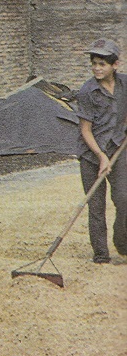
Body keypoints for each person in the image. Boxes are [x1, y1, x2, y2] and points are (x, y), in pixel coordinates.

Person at [76, 38, 127, 264]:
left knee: (124, 198)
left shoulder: (125, 85)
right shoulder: (87, 91)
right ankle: (101, 254)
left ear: (115, 65)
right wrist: (101, 157)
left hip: (118, 148)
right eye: (94, 63)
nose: (97, 68)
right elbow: (85, 130)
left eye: (102, 64)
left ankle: (123, 244)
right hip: (91, 154)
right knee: (96, 205)